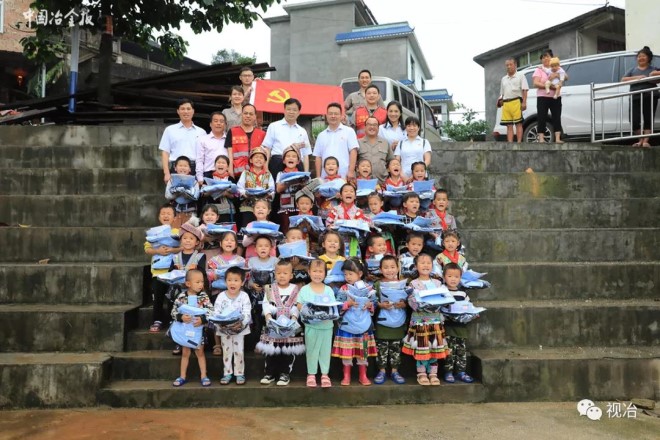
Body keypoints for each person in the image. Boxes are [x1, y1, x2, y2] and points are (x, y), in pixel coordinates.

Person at [403, 253, 449, 386]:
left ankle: (433, 373)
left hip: (435, 321)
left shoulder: (438, 283)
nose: (425, 265)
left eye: (428, 263)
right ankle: (422, 373)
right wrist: (419, 304)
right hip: (420, 321)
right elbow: (411, 302)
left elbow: (444, 299)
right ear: (416, 266)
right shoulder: (413, 283)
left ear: (432, 266)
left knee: (434, 348)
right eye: (422, 263)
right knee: (422, 347)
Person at [257, 259, 304, 386]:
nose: (282, 276)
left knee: (287, 351)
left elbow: (296, 305)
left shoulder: (295, 289)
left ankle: (285, 373)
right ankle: (269, 373)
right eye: (278, 273)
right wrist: (268, 317)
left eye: (285, 273)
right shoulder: (270, 288)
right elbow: (266, 304)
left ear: (291, 275)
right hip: (273, 323)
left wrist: (294, 318)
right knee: (271, 350)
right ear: (275, 274)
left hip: (289, 324)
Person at [332, 258, 377, 386]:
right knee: (347, 351)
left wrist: (369, 305)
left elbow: (374, 302)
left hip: (364, 323)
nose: (347, 277)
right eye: (345, 274)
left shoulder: (369, 288)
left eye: (350, 274)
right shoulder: (343, 289)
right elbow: (338, 305)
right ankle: (346, 375)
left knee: (363, 350)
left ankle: (363, 374)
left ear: (360, 273)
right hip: (348, 324)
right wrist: (347, 304)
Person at [297, 259, 337, 388]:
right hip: (311, 326)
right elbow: (299, 304)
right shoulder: (304, 289)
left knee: (325, 350)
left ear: (325, 273)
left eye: (320, 271)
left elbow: (332, 306)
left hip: (326, 325)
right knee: (312, 350)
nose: (317, 274)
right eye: (314, 271)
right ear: (309, 272)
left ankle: (325, 374)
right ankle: (311, 374)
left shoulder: (328, 290)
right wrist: (307, 311)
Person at [170, 269, 213, 387]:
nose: (201, 284)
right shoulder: (181, 296)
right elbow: (173, 311)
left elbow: (211, 311)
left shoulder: (203, 296)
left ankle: (203, 375)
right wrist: (181, 317)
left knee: (200, 352)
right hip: (185, 330)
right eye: (197, 282)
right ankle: (182, 376)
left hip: (199, 329)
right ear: (188, 283)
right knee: (185, 353)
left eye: (202, 282)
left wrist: (203, 319)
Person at [206, 230, 245, 356]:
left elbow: (245, 276)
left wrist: (222, 273)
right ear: (220, 243)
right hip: (218, 293)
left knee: (235, 317)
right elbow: (209, 276)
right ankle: (217, 344)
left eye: (232, 240)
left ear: (236, 244)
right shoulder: (213, 260)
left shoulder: (240, 260)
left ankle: (234, 342)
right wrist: (216, 274)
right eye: (226, 240)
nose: (229, 242)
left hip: (236, 295)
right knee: (218, 317)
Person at [214, 266, 252, 385]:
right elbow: (216, 312)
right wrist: (221, 323)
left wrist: (241, 323)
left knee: (239, 350)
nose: (232, 283)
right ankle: (227, 373)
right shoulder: (221, 296)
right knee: (226, 351)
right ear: (225, 282)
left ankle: (239, 373)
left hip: (239, 329)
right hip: (224, 329)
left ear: (242, 282)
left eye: (236, 280)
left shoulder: (244, 296)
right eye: (229, 280)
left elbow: (247, 312)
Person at [146, 204, 180, 333]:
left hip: (173, 271)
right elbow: (147, 249)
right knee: (158, 297)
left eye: (169, 214)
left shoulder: (177, 232)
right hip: (158, 271)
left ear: (175, 217)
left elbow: (183, 247)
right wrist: (157, 250)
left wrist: (172, 249)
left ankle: (172, 319)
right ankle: (157, 320)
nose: (166, 216)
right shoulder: (154, 232)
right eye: (163, 213)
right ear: (159, 217)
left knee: (172, 297)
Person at [373, 255, 407, 385]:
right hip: (383, 322)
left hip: (399, 321)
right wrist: (380, 305)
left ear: (398, 268)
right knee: (381, 347)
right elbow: (372, 301)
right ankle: (381, 371)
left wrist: (404, 304)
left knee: (396, 348)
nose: (389, 270)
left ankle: (394, 371)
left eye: (392, 267)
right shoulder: (377, 285)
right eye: (386, 267)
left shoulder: (403, 284)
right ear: (380, 269)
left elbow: (410, 300)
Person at [442, 263, 475, 384]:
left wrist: (473, 314)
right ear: (444, 277)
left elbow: (469, 307)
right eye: (450, 276)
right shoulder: (442, 292)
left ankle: (461, 371)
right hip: (447, 326)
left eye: (456, 276)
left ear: (460, 278)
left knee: (461, 350)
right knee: (449, 350)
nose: (453, 279)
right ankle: (448, 372)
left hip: (461, 326)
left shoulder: (463, 293)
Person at [159, 98, 206, 183]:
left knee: (194, 191)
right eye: (182, 109)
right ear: (178, 111)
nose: (186, 111)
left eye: (188, 109)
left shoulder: (201, 132)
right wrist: (166, 173)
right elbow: (165, 152)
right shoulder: (170, 130)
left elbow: (204, 154)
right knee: (175, 191)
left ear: (193, 111)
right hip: (176, 168)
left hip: (195, 169)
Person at [622, 46, 660, 148]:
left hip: (650, 96)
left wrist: (654, 74)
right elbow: (623, 79)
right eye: (639, 56)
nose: (641, 58)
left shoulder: (653, 69)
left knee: (648, 119)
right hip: (635, 97)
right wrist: (638, 77)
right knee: (634, 120)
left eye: (643, 56)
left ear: (649, 58)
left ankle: (645, 142)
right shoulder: (632, 70)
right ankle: (640, 140)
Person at [262, 98, 312, 175]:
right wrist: (266, 168)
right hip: (277, 164)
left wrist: (306, 173)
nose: (291, 112)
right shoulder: (274, 126)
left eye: (294, 110)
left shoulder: (302, 131)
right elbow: (267, 148)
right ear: (284, 110)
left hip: (297, 166)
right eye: (289, 109)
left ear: (299, 112)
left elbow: (306, 155)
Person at [313, 103, 359, 181]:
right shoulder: (321, 135)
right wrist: (318, 176)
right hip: (325, 178)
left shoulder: (349, 131)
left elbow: (353, 152)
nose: (333, 116)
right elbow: (318, 157)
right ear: (326, 115)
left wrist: (351, 171)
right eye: (330, 114)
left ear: (341, 116)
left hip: (344, 176)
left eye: (336, 114)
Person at [532, 49, 566, 143]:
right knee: (541, 117)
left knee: (556, 117)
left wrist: (556, 75)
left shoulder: (557, 67)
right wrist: (550, 87)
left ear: (552, 58)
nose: (545, 58)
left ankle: (558, 138)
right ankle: (541, 139)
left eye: (547, 56)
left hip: (556, 96)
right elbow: (535, 83)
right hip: (542, 97)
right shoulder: (539, 69)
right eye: (543, 57)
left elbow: (566, 77)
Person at [225, 104, 266, 179]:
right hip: (237, 174)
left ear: (255, 116)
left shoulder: (262, 134)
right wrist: (230, 169)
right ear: (241, 115)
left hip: (257, 175)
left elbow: (265, 155)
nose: (248, 116)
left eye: (251, 114)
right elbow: (229, 153)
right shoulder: (232, 131)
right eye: (245, 113)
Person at [236, 148, 275, 228]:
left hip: (263, 206)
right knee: (248, 226)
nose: (258, 159)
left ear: (265, 161)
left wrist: (268, 195)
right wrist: (245, 193)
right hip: (248, 205)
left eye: (261, 157)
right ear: (251, 160)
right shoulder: (245, 173)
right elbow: (239, 187)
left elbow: (272, 189)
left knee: (262, 226)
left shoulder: (268, 174)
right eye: (256, 157)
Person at [498, 57, 529, 143]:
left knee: (518, 123)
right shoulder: (503, 79)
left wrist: (524, 102)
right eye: (507, 65)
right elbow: (502, 93)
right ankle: (510, 143)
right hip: (506, 103)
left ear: (515, 65)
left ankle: (519, 143)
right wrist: (500, 100)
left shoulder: (521, 76)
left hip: (516, 101)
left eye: (510, 64)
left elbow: (525, 90)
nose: (508, 66)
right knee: (509, 125)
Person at [164, 156, 200, 228]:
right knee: (175, 231)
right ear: (175, 168)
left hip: (190, 212)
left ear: (190, 169)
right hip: (175, 211)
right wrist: (178, 193)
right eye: (180, 165)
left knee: (189, 231)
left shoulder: (194, 182)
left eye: (185, 166)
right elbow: (167, 195)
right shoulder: (171, 180)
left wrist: (186, 193)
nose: (183, 168)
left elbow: (196, 196)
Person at [195, 111, 229, 185]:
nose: (218, 123)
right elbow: (199, 160)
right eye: (215, 121)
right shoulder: (202, 139)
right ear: (210, 124)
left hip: (226, 175)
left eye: (221, 121)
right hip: (208, 175)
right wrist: (200, 177)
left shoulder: (229, 140)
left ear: (225, 125)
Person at [395, 116, 432, 182]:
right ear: (405, 127)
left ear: (418, 128)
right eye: (409, 126)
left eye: (414, 126)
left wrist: (416, 174)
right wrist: (402, 175)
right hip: (403, 177)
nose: (411, 128)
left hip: (420, 177)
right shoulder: (401, 143)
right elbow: (397, 161)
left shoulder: (424, 142)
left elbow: (427, 160)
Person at [358, 116, 393, 184]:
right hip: (363, 183)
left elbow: (391, 161)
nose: (372, 127)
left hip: (382, 182)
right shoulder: (358, 143)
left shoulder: (385, 143)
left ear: (378, 127)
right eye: (369, 124)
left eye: (375, 125)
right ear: (365, 127)